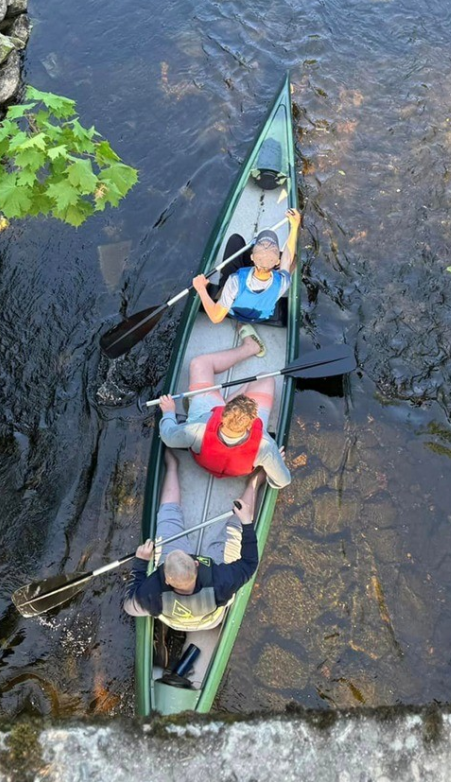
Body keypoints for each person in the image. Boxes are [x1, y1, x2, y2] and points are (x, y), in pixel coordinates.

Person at [123, 452, 262, 688]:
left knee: (169, 519)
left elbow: (129, 606)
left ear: (166, 576)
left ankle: (172, 467)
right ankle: (254, 483)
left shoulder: (153, 591)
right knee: (234, 530)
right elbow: (249, 564)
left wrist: (140, 563)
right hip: (209, 619)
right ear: (196, 563)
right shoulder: (220, 579)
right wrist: (247, 524)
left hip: (173, 618)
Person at [158, 335, 291, 488]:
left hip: (203, 443)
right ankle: (249, 372)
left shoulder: (198, 428)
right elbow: (283, 481)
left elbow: (168, 437)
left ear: (221, 412)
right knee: (266, 378)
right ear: (252, 422)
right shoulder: (266, 446)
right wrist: (272, 464)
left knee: (200, 364)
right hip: (239, 470)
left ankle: (249, 348)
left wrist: (168, 412)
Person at [191, 208, 301, 324]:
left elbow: (216, 317)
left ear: (252, 257)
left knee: (236, 241)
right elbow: (288, 258)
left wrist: (201, 288)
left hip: (234, 312)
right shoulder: (283, 281)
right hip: (260, 317)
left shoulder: (235, 280)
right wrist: (294, 227)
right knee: (293, 260)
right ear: (277, 262)